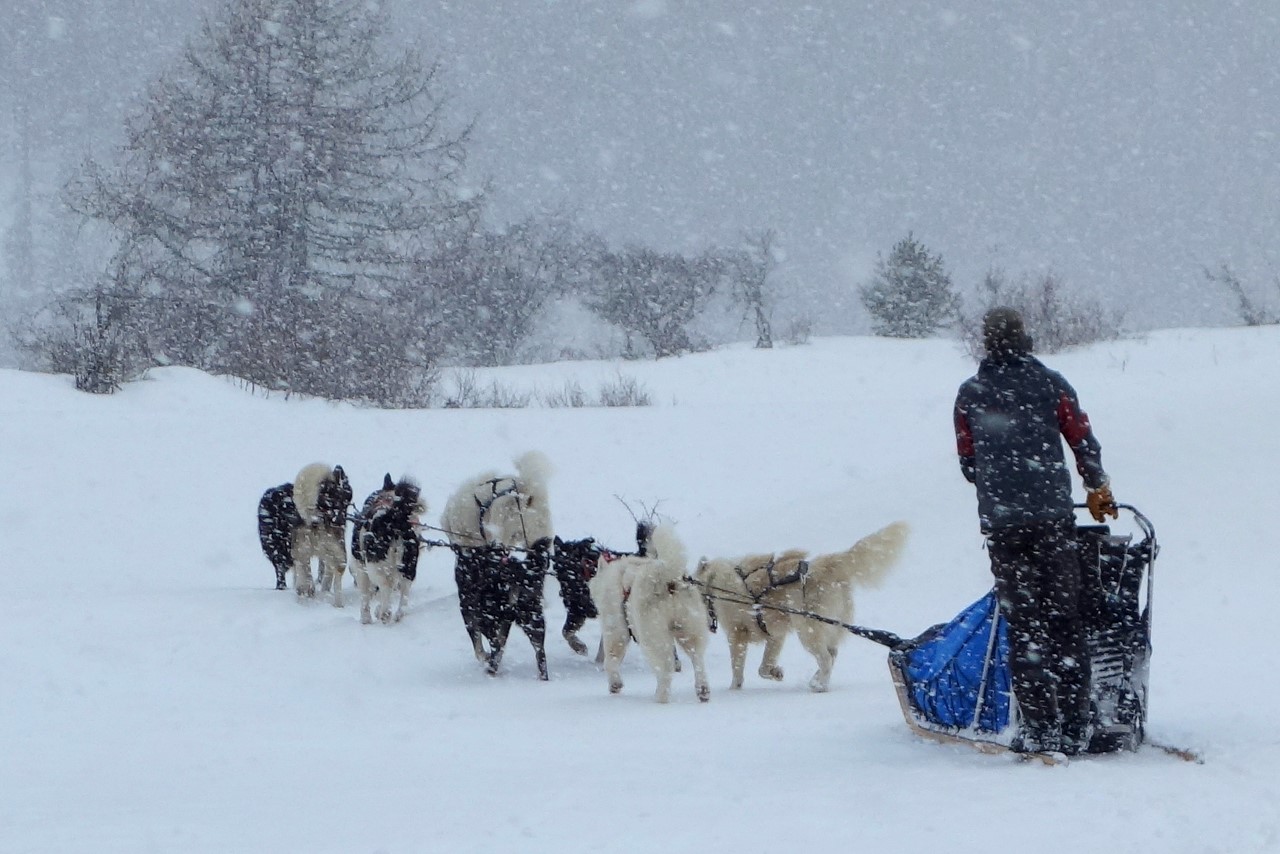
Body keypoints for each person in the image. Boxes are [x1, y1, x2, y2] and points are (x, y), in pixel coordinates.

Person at [953, 307, 1118, 755]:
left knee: (1025, 626)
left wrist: (999, 478)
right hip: (1052, 520)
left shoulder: (971, 394)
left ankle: (1040, 729)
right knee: (1065, 620)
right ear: (1024, 338)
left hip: (1005, 526)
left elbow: (968, 461)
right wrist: (1096, 484)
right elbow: (1081, 437)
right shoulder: (1051, 384)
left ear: (987, 342)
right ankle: (1075, 725)